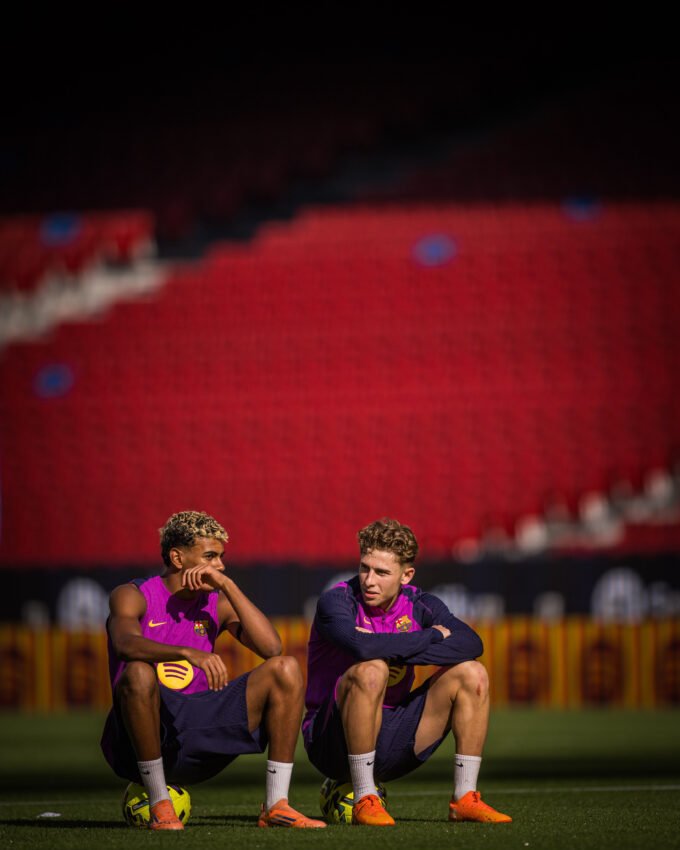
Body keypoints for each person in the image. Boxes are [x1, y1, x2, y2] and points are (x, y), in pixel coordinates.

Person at [100, 510, 325, 831]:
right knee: (138, 673)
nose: (219, 565)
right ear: (178, 557)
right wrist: (187, 652)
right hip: (138, 741)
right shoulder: (132, 595)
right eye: (210, 556)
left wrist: (228, 586)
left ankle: (277, 805)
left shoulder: (215, 602)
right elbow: (124, 643)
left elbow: (271, 648)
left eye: (222, 557)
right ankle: (160, 803)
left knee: (285, 668)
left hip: (196, 730)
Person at [303, 517, 511, 826]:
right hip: (330, 741)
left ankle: (464, 798)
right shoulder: (336, 601)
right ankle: (364, 797)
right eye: (364, 568)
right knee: (371, 670)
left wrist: (383, 645)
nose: (369, 580)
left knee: (471, 673)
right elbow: (360, 648)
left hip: (393, 736)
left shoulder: (421, 604)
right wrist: (431, 636)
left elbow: (470, 643)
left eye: (382, 572)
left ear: (406, 575)